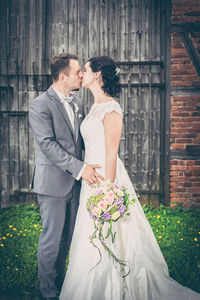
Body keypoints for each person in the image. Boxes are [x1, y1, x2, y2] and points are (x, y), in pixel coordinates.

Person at [59, 56, 200, 300]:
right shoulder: (92, 106)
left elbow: (112, 153)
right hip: (90, 178)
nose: (82, 73)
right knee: (88, 233)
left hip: (106, 179)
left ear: (98, 74)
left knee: (112, 232)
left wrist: (109, 191)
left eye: (85, 69)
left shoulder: (111, 108)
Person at [29, 53, 104, 300]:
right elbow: (48, 145)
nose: (81, 75)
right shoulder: (40, 105)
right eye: (76, 72)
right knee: (51, 239)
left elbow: (81, 141)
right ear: (63, 77)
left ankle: (62, 285)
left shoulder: (78, 103)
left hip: (75, 184)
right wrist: (81, 169)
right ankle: (48, 292)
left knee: (69, 237)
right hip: (52, 184)